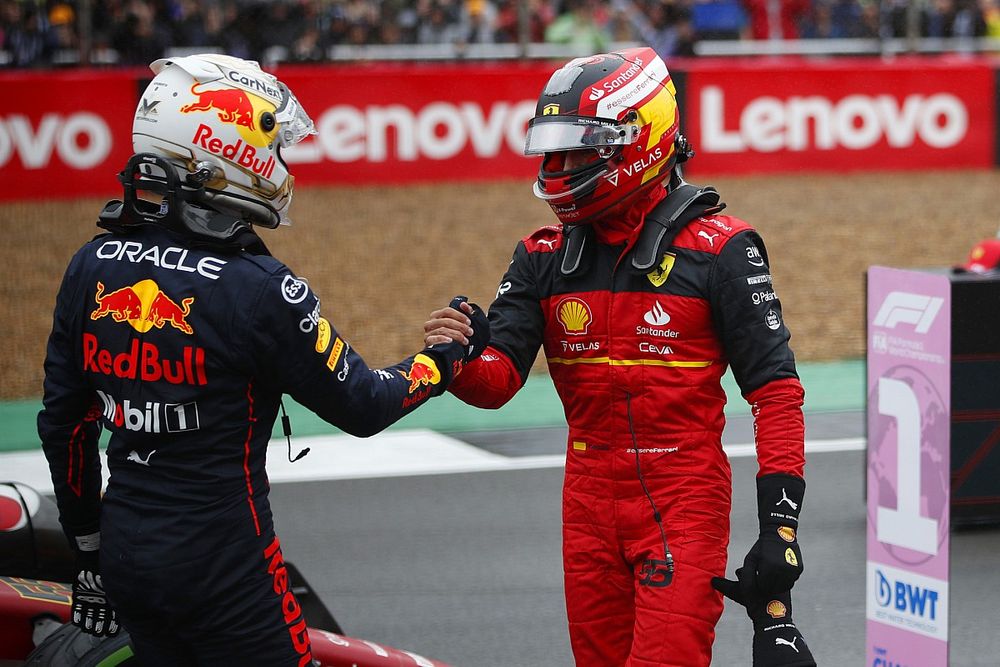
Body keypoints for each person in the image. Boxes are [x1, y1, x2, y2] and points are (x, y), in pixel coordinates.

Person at [37, 53, 488, 666]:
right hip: (225, 566)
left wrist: (87, 553)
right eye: (272, 143)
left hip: (125, 556)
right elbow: (363, 403)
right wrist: (441, 360)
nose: (280, 162)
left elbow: (64, 425)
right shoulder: (261, 287)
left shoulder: (87, 265)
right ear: (224, 150)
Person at [423, 47, 814, 666]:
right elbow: (498, 382)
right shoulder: (541, 256)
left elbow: (776, 393)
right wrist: (458, 360)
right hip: (585, 505)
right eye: (556, 149)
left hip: (682, 499)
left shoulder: (723, 249)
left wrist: (781, 529)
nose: (561, 166)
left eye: (583, 149)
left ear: (643, 139)